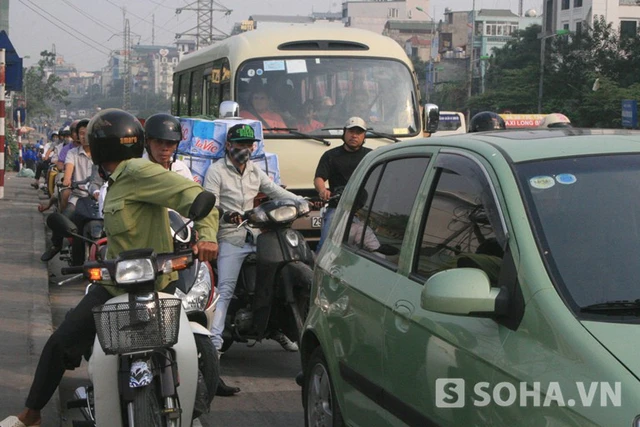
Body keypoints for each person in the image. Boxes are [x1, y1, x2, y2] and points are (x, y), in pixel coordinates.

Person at [0, 109, 219, 427]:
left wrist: (208, 239)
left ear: (100, 146)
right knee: (61, 343)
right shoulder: (115, 180)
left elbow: (199, 197)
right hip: (117, 283)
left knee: (191, 340)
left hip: (157, 282)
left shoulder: (138, 172)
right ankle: (31, 415)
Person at [204, 124, 303, 361]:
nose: (245, 149)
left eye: (249, 145)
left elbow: (275, 191)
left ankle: (278, 328)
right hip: (230, 235)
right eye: (240, 145)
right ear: (228, 145)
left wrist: (302, 201)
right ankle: (213, 344)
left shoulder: (254, 170)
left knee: (279, 275)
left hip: (257, 233)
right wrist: (226, 214)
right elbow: (210, 201)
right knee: (225, 289)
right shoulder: (216, 171)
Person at [314, 116, 371, 253]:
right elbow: (319, 178)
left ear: (364, 136)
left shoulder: (371, 156)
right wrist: (323, 191)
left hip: (366, 211)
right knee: (325, 247)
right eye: (351, 131)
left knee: (377, 252)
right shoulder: (331, 155)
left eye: (359, 132)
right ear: (344, 133)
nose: (354, 136)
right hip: (337, 209)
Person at [40, 119, 93, 263]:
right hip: (78, 197)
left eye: (87, 133)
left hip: (98, 198)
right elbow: (68, 170)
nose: (83, 136)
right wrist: (67, 180)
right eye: (81, 133)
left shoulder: (101, 153)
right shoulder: (72, 153)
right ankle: (56, 244)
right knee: (65, 218)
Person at [143, 113, 193, 180]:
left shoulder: (181, 169)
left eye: (170, 143)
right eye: (159, 142)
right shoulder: (136, 170)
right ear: (147, 142)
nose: (165, 148)